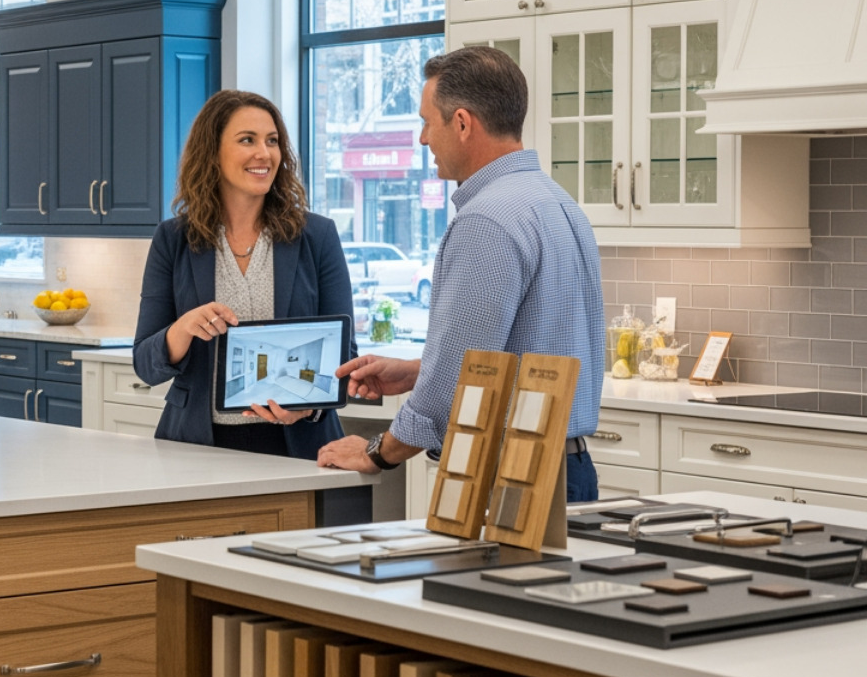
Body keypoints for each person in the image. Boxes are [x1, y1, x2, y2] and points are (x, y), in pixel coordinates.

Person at [315, 46, 606, 501]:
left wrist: (376, 452)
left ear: (463, 123)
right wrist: (418, 371)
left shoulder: (486, 220)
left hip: (509, 474)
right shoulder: (558, 203)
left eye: (427, 122)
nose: (422, 139)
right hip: (569, 469)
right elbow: (519, 353)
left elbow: (457, 381)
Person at [133, 89, 356, 460]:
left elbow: (345, 355)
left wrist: (309, 407)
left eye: (272, 141)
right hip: (197, 447)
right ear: (212, 152)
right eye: (247, 140)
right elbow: (145, 364)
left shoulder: (317, 236)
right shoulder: (173, 240)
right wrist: (183, 328)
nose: (264, 153)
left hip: (298, 446)